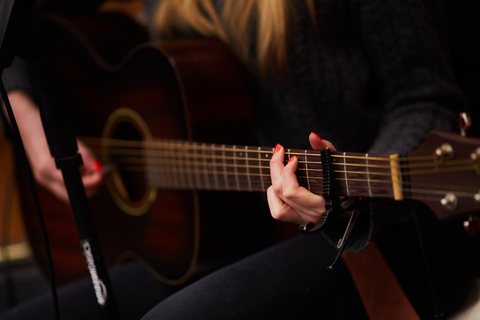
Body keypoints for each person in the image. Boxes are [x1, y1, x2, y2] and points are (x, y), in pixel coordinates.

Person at [2, 0, 478, 319]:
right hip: (218, 236)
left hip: (380, 238)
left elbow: (425, 98)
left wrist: (350, 202)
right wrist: (25, 112)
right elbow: (23, 20)